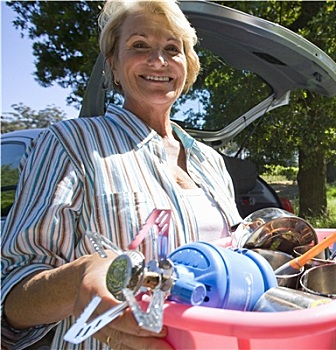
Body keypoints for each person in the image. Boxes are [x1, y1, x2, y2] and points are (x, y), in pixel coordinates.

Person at [1, 1, 243, 349]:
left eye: (172, 49)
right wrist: (77, 280)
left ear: (187, 67)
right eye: (139, 45)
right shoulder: (70, 145)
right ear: (113, 65)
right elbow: (10, 296)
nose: (158, 60)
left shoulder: (211, 161)